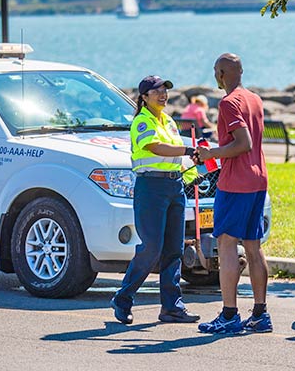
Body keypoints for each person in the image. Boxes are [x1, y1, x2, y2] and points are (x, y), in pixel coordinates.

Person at [110, 75, 201, 325]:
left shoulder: (169, 121)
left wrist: (191, 170)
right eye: (156, 91)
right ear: (144, 97)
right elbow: (156, 148)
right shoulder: (142, 121)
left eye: (165, 90)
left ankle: (172, 307)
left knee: (174, 250)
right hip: (151, 188)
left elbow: (174, 157)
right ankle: (123, 299)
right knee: (151, 248)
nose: (163, 94)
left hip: (174, 186)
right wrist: (187, 150)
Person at [195, 54, 272, 334]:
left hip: (235, 183)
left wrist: (211, 153)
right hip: (258, 179)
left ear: (222, 73)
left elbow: (243, 143)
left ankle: (229, 315)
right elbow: (248, 141)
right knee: (253, 246)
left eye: (216, 71)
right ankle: (260, 314)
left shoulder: (228, 103)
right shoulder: (254, 99)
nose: (215, 75)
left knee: (226, 244)